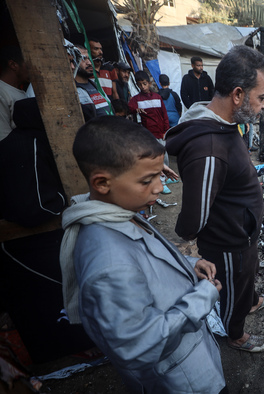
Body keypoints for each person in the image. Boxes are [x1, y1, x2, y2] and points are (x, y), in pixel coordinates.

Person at [59, 116, 226, 393]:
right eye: (148, 180)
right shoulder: (109, 265)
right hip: (178, 378)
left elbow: (147, 264)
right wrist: (203, 297)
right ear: (102, 183)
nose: (160, 187)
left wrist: (188, 264)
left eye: (160, 174)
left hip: (186, 354)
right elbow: (139, 345)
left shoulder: (119, 210)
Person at [166, 45, 264, 353]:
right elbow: (192, 220)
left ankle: (252, 300)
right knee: (232, 289)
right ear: (239, 94)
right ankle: (236, 334)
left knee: (246, 281)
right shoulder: (210, 147)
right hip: (228, 242)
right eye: (263, 97)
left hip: (242, 235)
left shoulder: (226, 124)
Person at [0, 98, 97, 363]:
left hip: (24, 243)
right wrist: (69, 201)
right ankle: (73, 346)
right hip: (29, 243)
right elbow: (36, 208)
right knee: (55, 293)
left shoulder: (20, 140)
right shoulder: (28, 145)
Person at [128, 71, 172, 194]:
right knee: (156, 157)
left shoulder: (157, 97)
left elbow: (164, 114)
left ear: (150, 83)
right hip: (148, 134)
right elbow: (129, 107)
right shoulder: (136, 99)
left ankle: (166, 176)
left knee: (164, 155)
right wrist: (136, 109)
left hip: (161, 132)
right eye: (140, 85)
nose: (143, 87)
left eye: (145, 84)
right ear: (137, 85)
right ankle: (161, 181)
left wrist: (166, 130)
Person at [0, 46, 29, 141]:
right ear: (13, 65)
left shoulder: (22, 91)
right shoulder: (2, 92)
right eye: (28, 63)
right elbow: (3, 137)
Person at [75, 46, 110, 120]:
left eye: (88, 58)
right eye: (83, 58)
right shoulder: (74, 90)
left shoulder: (95, 85)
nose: (89, 63)